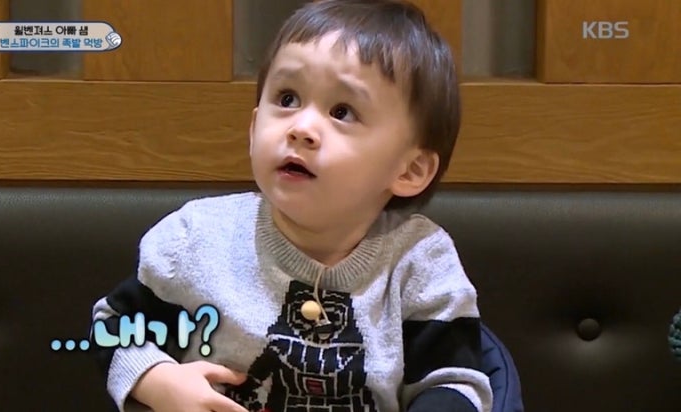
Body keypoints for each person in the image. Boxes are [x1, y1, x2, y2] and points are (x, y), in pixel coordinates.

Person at [89, 0, 493, 411]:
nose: (301, 128)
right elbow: (112, 328)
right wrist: (157, 379)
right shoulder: (195, 238)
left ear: (409, 170)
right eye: (287, 99)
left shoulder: (420, 262)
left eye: (342, 112)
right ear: (253, 129)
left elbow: (455, 384)